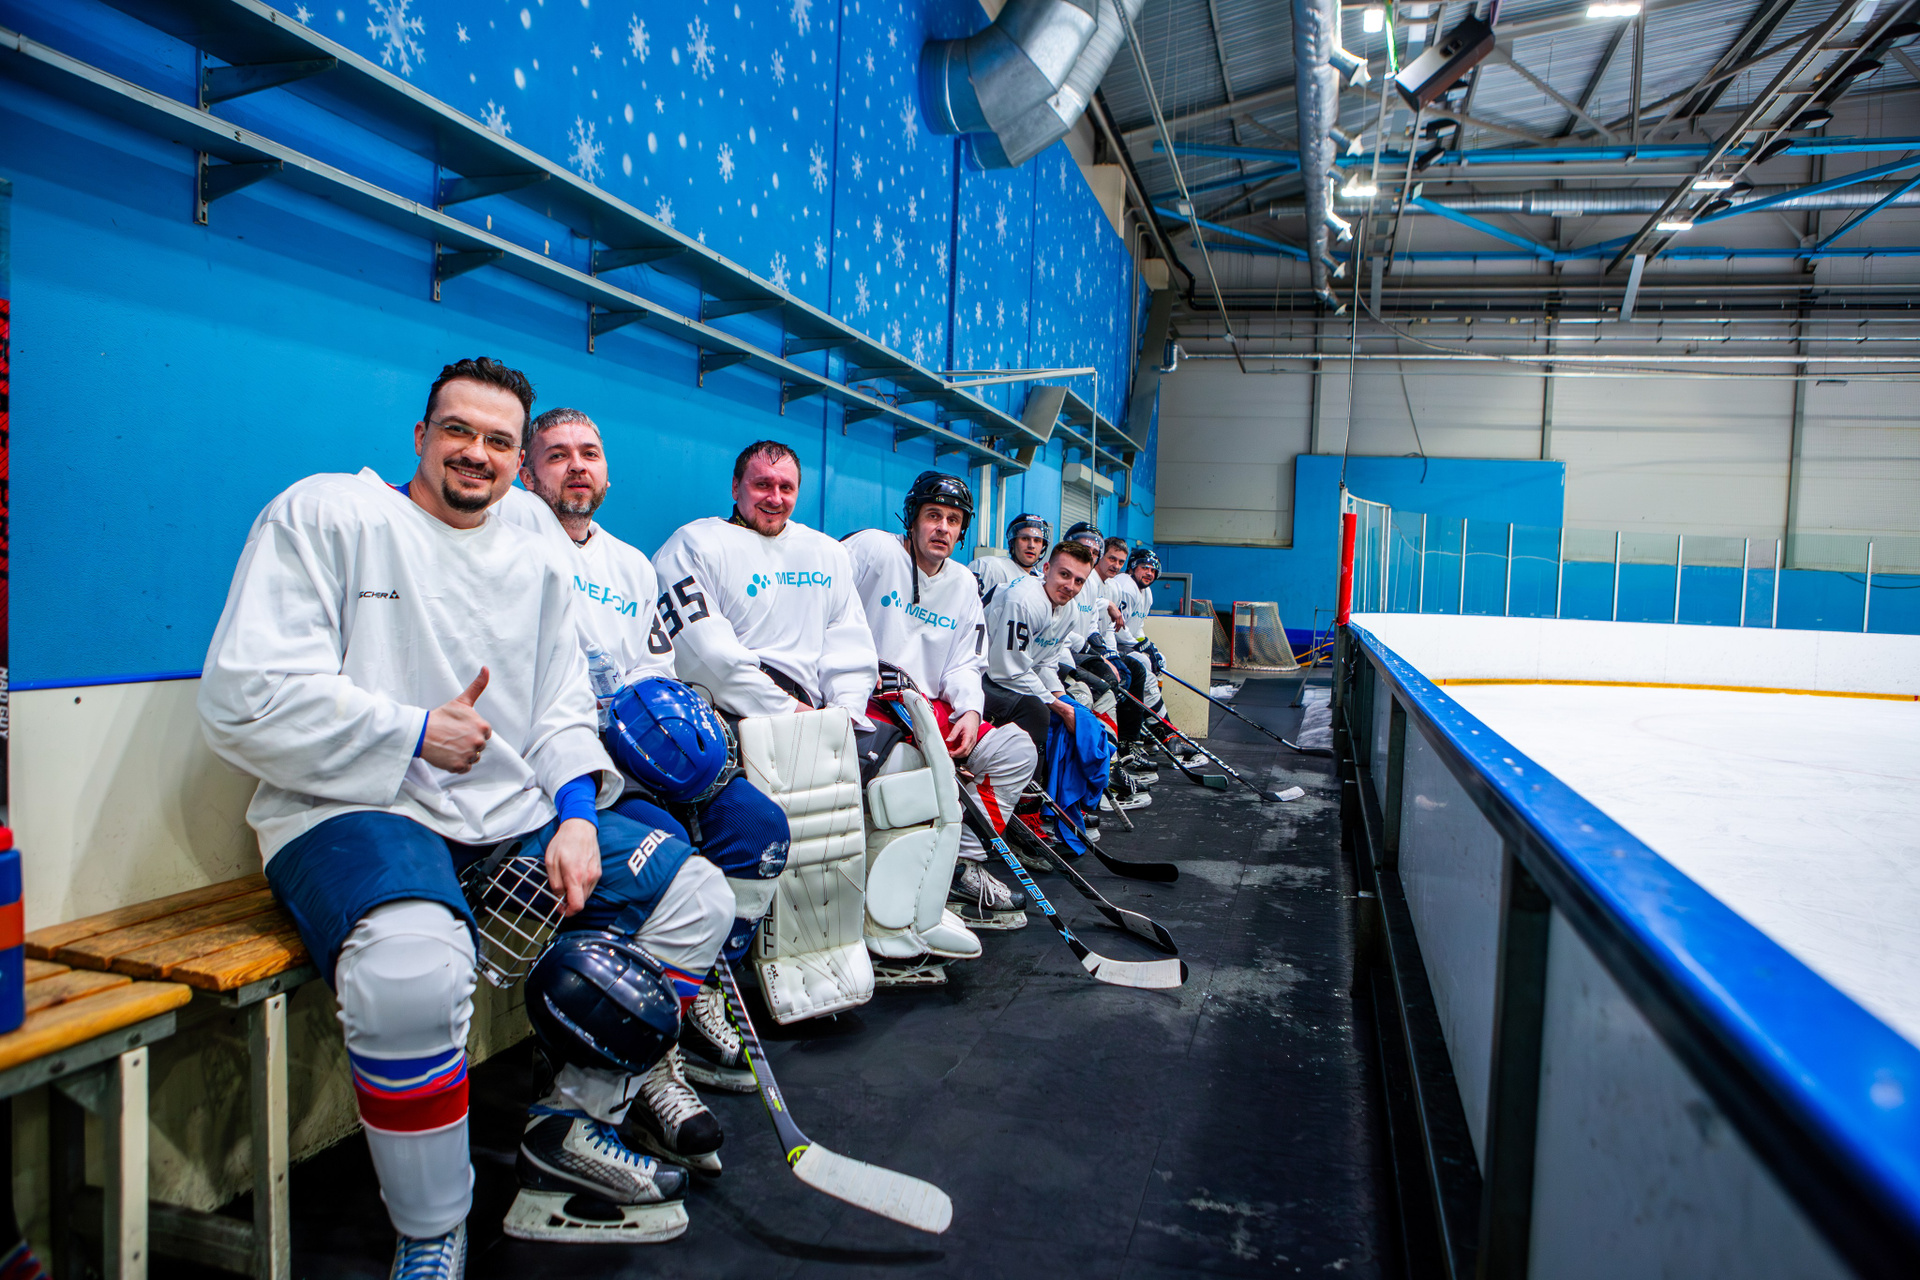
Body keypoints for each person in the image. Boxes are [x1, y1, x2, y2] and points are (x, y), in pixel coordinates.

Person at [198, 358, 734, 1274]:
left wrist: (576, 813)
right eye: (457, 430)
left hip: (507, 815)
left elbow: (561, 709)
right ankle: (432, 1227)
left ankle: (572, 1124)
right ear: (420, 435)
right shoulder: (328, 515)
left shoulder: (536, 559)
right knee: (411, 975)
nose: (475, 453)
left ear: (518, 460)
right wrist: (410, 732)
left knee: (697, 896)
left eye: (497, 440)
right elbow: (241, 698)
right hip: (355, 808)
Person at [498, 408, 794, 1170]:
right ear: (526, 471)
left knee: (757, 827)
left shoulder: (631, 566)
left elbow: (653, 673)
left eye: (589, 453)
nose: (576, 466)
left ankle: (691, 1003)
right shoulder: (509, 540)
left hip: (636, 767)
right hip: (561, 780)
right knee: (664, 865)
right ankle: (642, 1062)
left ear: (607, 469)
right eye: (556, 455)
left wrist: (674, 737)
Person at [843, 472, 1036, 935]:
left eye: (953, 520)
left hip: (931, 707)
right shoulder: (872, 550)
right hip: (869, 703)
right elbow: (824, 605)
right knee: (906, 770)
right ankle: (889, 879)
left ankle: (957, 866)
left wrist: (970, 708)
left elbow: (965, 662)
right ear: (912, 518)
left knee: (1016, 750)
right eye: (933, 516)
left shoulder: (963, 583)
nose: (943, 528)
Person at [651, 441, 877, 724]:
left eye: (786, 488)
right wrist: (796, 715)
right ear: (736, 487)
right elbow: (707, 658)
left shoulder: (828, 553)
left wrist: (845, 713)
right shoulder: (690, 547)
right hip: (731, 719)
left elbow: (852, 651)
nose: (775, 498)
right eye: (762, 485)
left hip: (818, 716)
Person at [972, 512, 1050, 596]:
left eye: (1037, 540)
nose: (1031, 545)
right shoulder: (989, 567)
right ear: (1013, 542)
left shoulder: (1044, 580)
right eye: (1025, 538)